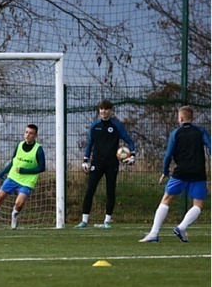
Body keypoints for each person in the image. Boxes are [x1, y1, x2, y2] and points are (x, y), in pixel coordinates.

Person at [140, 106, 210, 243]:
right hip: (198, 172)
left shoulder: (176, 133)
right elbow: (210, 146)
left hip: (180, 172)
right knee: (198, 204)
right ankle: (181, 227)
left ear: (181, 118)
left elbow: (168, 155)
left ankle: (154, 233)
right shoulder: (200, 132)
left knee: (166, 199)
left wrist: (164, 171)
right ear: (192, 118)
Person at [76, 100, 136, 229]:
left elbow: (129, 141)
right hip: (97, 163)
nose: (104, 111)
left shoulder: (116, 125)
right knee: (90, 190)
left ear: (111, 111)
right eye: (102, 109)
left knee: (110, 191)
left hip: (112, 163)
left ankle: (107, 221)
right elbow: (90, 143)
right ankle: (84, 221)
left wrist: (132, 156)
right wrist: (85, 160)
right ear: (99, 111)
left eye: (106, 109)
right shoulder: (95, 125)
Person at [0, 124, 45, 231]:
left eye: (31, 133)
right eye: (26, 132)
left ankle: (14, 216)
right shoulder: (19, 145)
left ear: (36, 135)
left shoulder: (38, 150)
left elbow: (42, 168)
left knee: (19, 203)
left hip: (27, 181)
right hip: (13, 177)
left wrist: (24, 171)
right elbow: (13, 162)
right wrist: (1, 173)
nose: (27, 135)